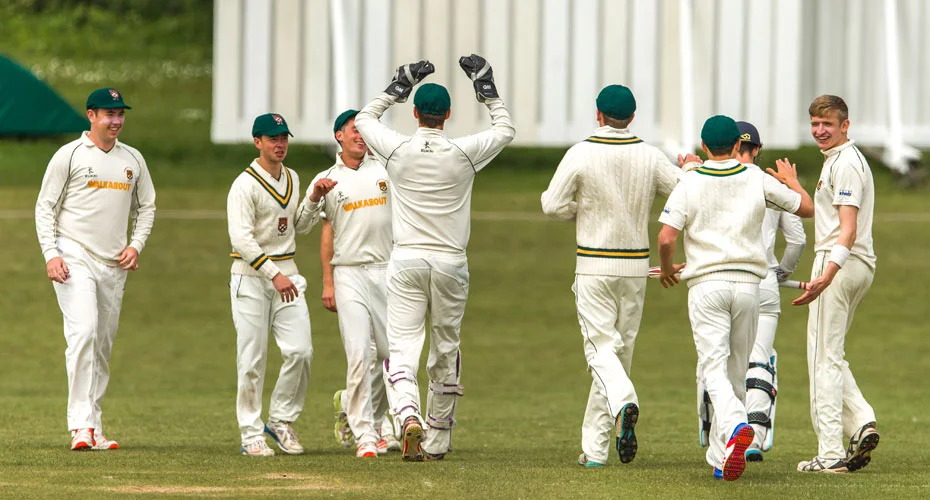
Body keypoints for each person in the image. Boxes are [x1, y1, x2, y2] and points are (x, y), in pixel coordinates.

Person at [355, 55, 515, 461]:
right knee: (446, 347)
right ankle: (438, 440)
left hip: (406, 260)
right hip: (450, 263)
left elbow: (362, 120)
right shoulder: (463, 153)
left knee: (403, 346)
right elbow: (505, 129)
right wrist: (487, 88)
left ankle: (407, 414)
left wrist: (398, 84)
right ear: (448, 114)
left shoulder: (398, 150)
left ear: (414, 112)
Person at [657, 115, 813, 481]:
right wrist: (792, 183)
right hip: (749, 286)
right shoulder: (757, 177)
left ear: (705, 146)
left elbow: (665, 238)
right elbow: (807, 209)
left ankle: (738, 424)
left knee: (713, 369)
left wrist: (666, 269)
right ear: (739, 147)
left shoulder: (691, 180)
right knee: (736, 373)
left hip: (708, 285)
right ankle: (721, 455)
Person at [540, 85, 683, 467]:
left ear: (598, 115)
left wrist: (581, 209)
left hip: (594, 263)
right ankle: (594, 450)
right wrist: (687, 168)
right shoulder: (650, 156)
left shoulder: (581, 151)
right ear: (632, 117)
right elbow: (684, 193)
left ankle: (624, 402)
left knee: (601, 351)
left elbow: (551, 204)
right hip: (635, 267)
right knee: (618, 355)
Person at [35, 88, 156, 451]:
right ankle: (80, 426)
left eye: (120, 114)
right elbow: (45, 208)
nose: (116, 121)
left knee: (102, 345)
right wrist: (51, 254)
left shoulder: (132, 158)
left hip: (113, 263)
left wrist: (136, 245)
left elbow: (147, 206)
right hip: (74, 255)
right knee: (84, 332)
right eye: (108, 114)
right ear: (91, 115)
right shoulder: (69, 155)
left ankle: (95, 425)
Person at [696, 122, 807, 461]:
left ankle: (725, 430)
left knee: (718, 360)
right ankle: (754, 436)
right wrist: (782, 271)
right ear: (757, 149)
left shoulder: (710, 178)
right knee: (758, 358)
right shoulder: (768, 183)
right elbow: (798, 238)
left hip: (716, 275)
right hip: (764, 280)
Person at [226, 112, 336, 456]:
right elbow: (241, 239)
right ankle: (249, 431)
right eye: (273, 139)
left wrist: (314, 197)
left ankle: (281, 420)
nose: (280, 144)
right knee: (252, 359)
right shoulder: (244, 184)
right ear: (257, 142)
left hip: (288, 272)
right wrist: (273, 273)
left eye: (284, 138)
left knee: (300, 351)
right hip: (251, 276)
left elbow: (298, 227)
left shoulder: (293, 177)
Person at [794, 95, 879, 473]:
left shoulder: (846, 163)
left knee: (823, 360)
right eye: (814, 124)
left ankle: (829, 455)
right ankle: (861, 422)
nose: (820, 131)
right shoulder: (838, 162)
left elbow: (847, 229)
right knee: (830, 353)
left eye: (827, 124)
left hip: (839, 263)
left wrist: (826, 275)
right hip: (855, 265)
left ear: (846, 125)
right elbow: (825, 214)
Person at [308, 109, 399, 458]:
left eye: (364, 130)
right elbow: (321, 229)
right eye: (353, 130)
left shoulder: (387, 170)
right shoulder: (329, 179)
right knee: (360, 354)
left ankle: (357, 407)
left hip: (387, 270)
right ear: (339, 136)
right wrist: (328, 281)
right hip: (348, 273)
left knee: (391, 355)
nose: (360, 136)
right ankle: (366, 434)